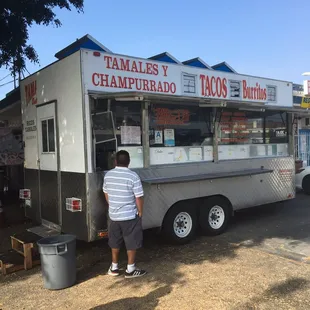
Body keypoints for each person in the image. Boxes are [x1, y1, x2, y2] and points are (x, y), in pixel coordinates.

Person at [103, 150, 147, 278]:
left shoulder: (108, 175)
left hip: (114, 216)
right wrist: (140, 212)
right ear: (129, 162)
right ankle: (130, 269)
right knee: (131, 242)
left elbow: (106, 192)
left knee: (114, 242)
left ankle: (114, 267)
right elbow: (138, 197)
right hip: (129, 216)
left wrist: (112, 205)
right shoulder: (133, 176)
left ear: (115, 161)